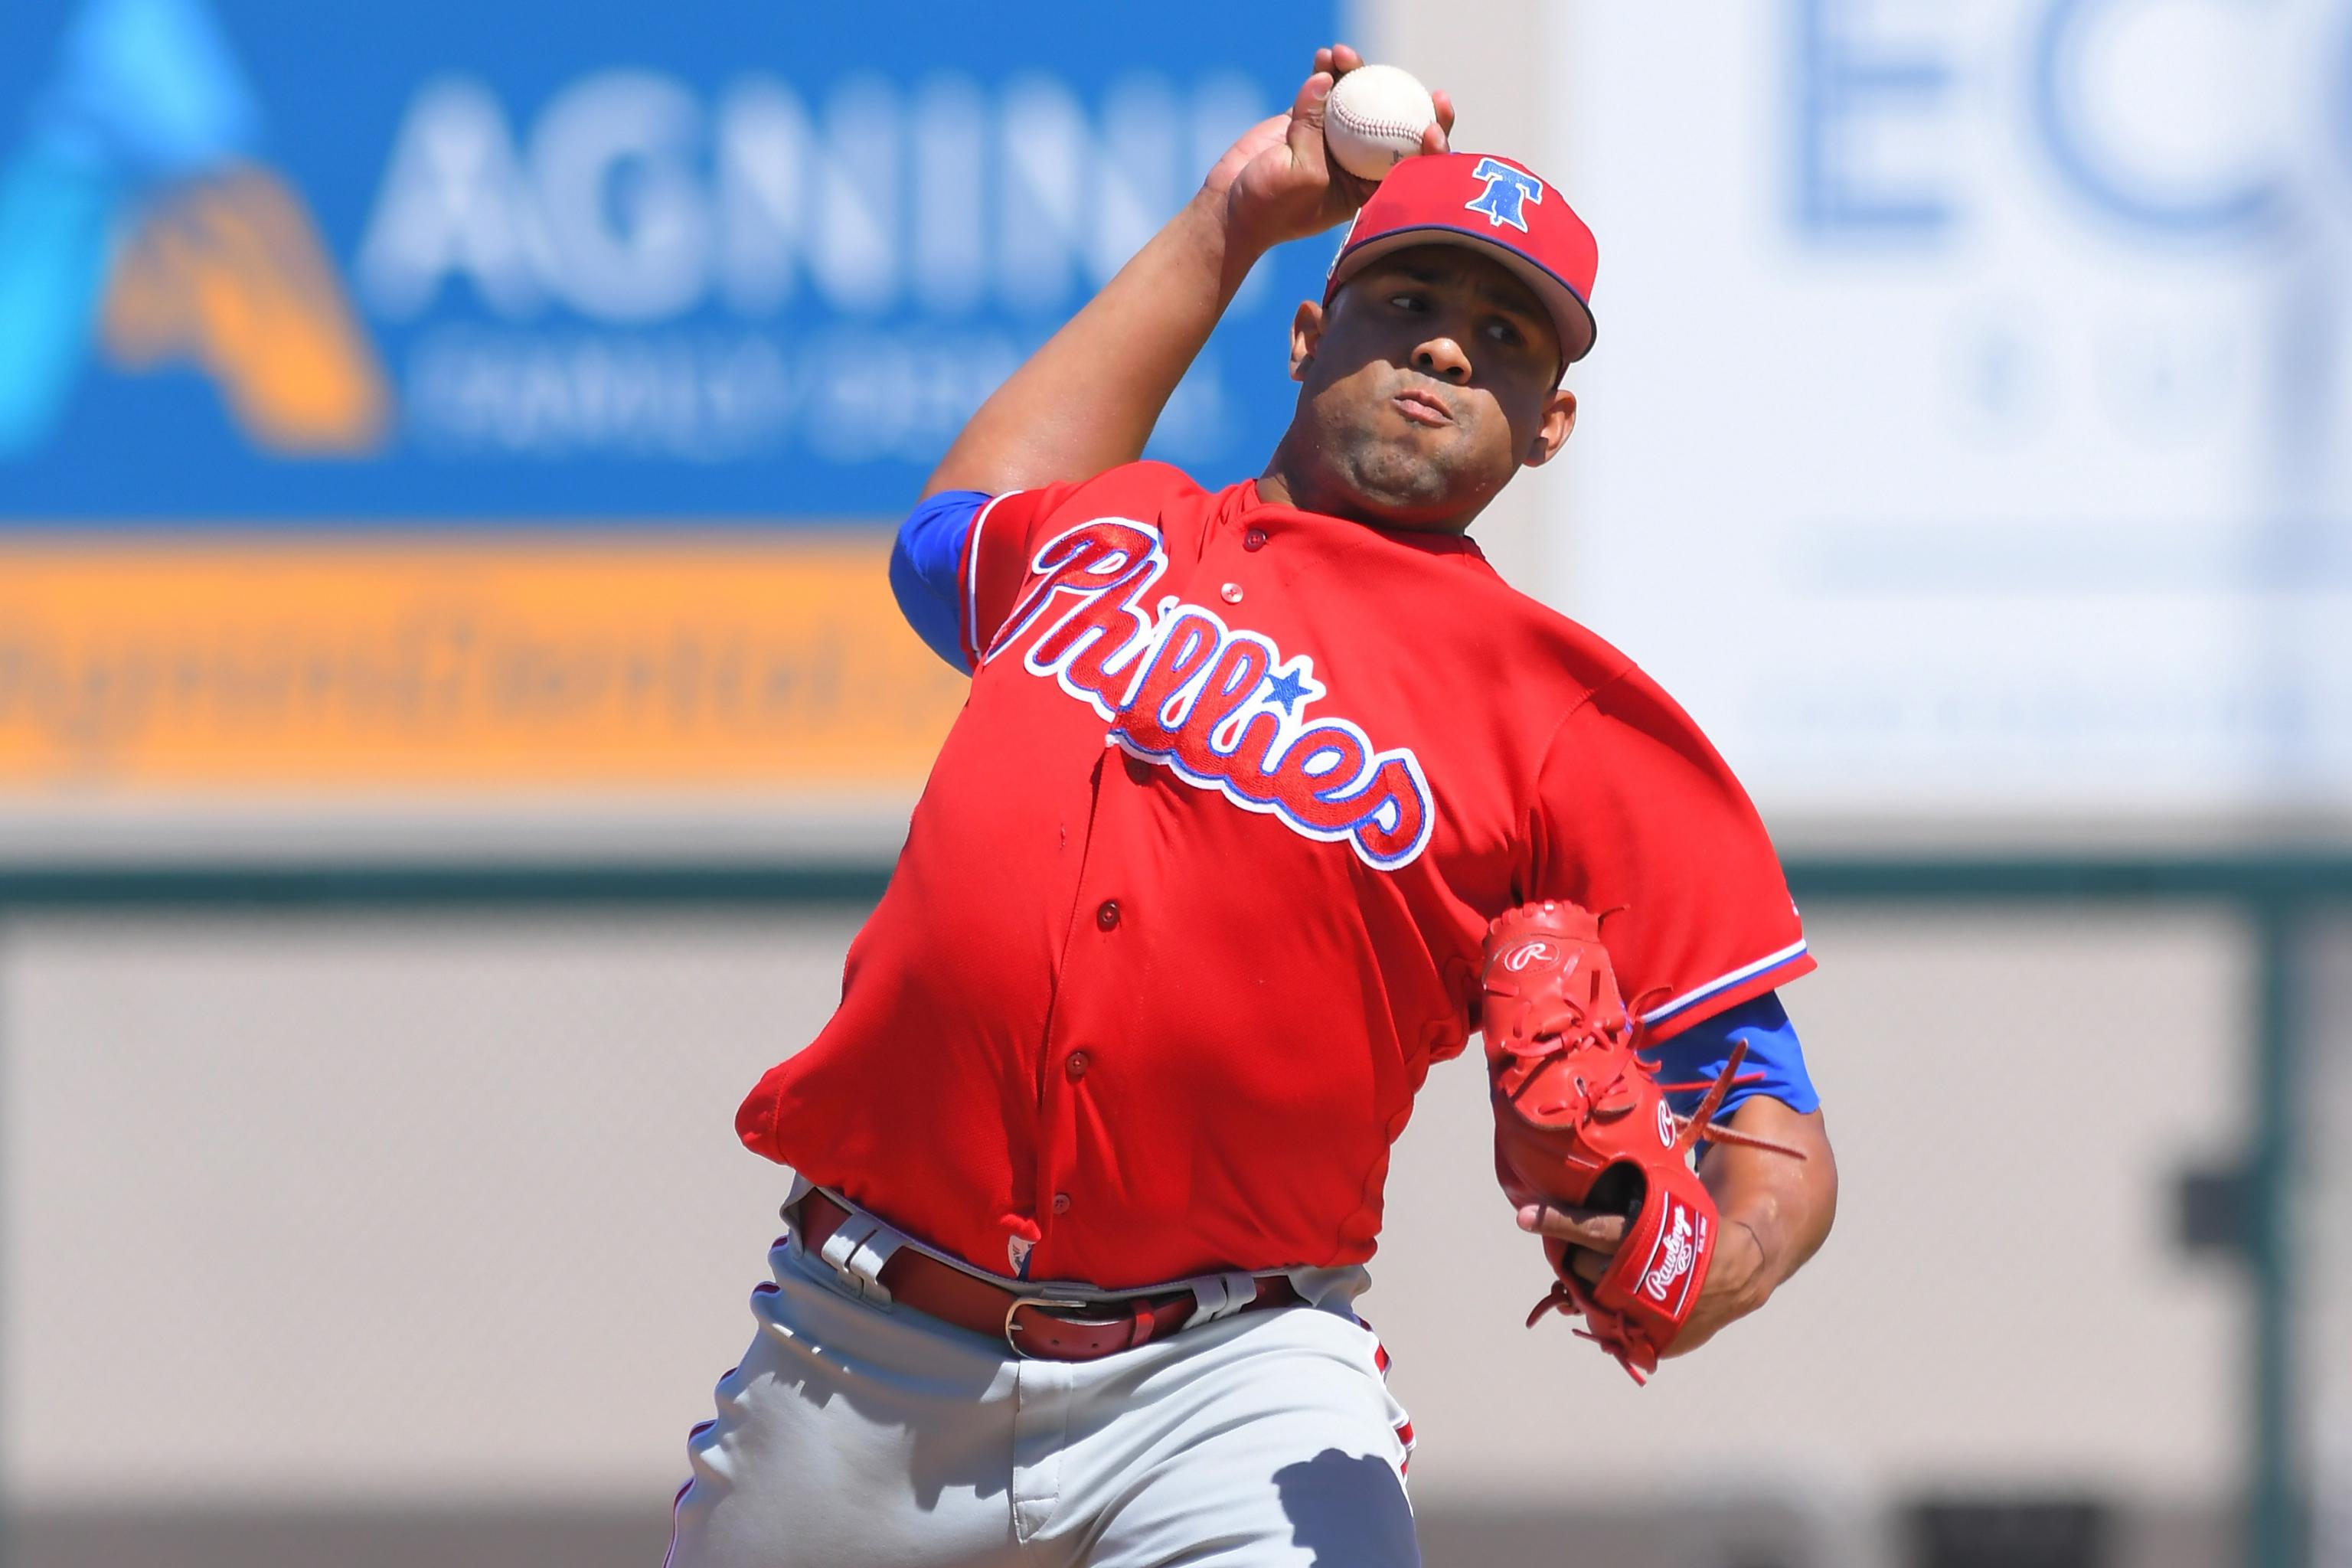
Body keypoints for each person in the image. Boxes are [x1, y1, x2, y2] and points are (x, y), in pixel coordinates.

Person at [665, 44, 1839, 1568]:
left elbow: (1773, 1119)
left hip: (1227, 1381)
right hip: (861, 1349)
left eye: (1505, 336)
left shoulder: (1575, 723)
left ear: (1550, 425)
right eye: (1407, 303)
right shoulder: (1112, 538)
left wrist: (1715, 1259)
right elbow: (941, 538)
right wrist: (1232, 214)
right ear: (1305, 333)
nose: (1445, 353)